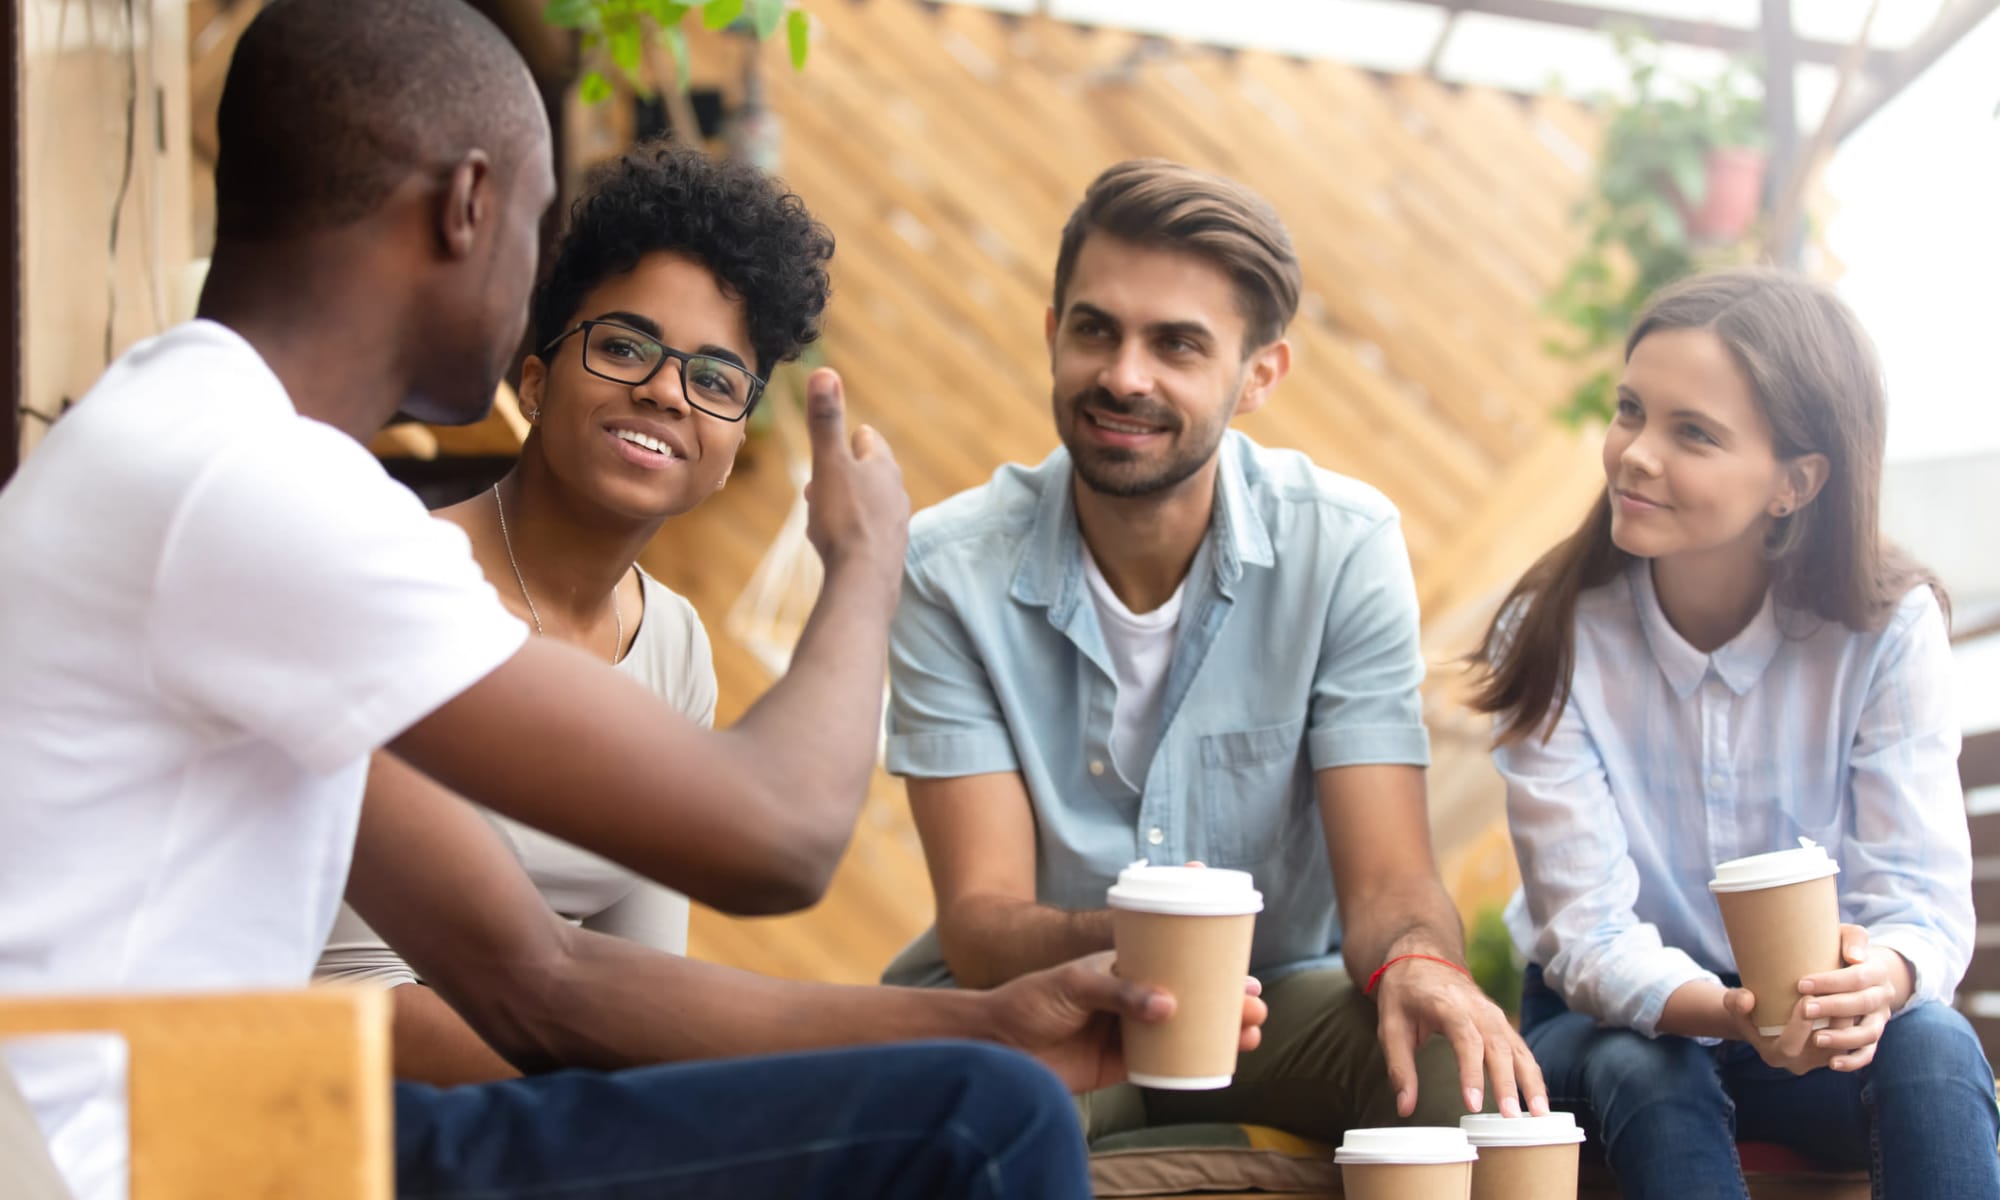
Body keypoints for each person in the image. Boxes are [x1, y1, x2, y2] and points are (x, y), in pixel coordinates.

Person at [0, 5, 1261, 1198]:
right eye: (543, 233)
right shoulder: (258, 493)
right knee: (986, 1129)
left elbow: (535, 974)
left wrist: (980, 1018)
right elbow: (775, 837)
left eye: (715, 378)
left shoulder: (216, 462)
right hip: (148, 1154)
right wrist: (871, 560)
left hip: (203, 1128)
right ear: (468, 205)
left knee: (978, 1086)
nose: (663, 391)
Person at [880, 157, 1545, 1144]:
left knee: (1452, 1056)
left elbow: (1387, 886)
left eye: (1176, 345)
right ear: (1051, 333)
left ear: (1258, 376)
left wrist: (1420, 965)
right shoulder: (948, 568)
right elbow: (982, 924)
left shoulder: (1341, 546)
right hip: (1033, 1005)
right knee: (970, 1114)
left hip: (1272, 1007)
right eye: (1093, 329)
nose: (1123, 375)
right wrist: (1169, 947)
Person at [1470, 268, 2000, 1199]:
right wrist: (1725, 1012)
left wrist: (1879, 976)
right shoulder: (1555, 631)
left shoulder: (1887, 631)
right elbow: (1589, 937)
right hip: (1601, 1031)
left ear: (1795, 483)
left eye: (1693, 433)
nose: (1634, 453)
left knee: (1934, 1045)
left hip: (1816, 1031)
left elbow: (1919, 899)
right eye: (1631, 410)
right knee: (1652, 1063)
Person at [315, 140, 821, 1087]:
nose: (666, 390)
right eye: (626, 345)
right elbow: (352, 994)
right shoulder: (407, 583)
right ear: (539, 383)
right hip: (348, 1104)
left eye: (714, 378)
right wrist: (616, 1109)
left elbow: (644, 980)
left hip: (545, 1113)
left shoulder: (673, 647)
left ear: (729, 444)